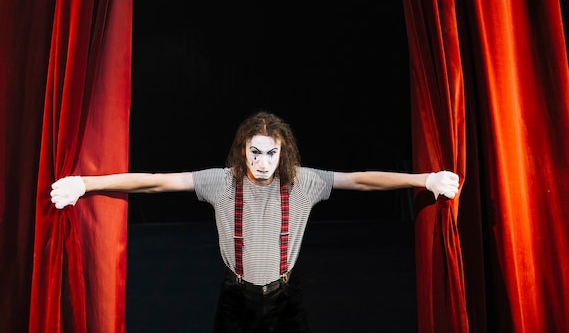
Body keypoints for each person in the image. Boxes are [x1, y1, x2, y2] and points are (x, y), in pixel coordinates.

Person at [50, 111, 460, 333]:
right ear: (242, 151)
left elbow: (362, 180)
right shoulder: (219, 182)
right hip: (237, 298)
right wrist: (86, 183)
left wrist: (423, 179)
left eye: (271, 154)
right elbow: (155, 183)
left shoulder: (304, 182)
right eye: (255, 152)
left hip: (286, 298)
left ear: (283, 155)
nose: (263, 163)